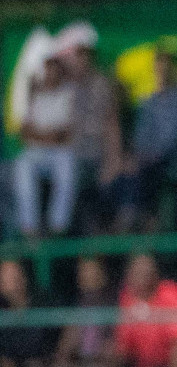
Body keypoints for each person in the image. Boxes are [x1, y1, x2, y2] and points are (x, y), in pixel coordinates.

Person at [111, 50, 177, 232]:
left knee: (147, 172)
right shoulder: (149, 102)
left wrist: (151, 154)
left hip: (172, 158)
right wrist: (138, 155)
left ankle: (144, 224)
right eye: (159, 68)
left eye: (166, 68)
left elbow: (174, 136)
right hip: (148, 158)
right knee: (126, 170)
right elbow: (141, 136)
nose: (162, 72)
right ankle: (128, 220)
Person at [14, 57, 78, 237]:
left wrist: (43, 135)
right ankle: (29, 228)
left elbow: (65, 132)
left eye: (55, 69)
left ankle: (58, 226)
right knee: (22, 166)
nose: (51, 74)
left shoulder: (68, 93)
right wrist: (46, 136)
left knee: (67, 165)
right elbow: (24, 131)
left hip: (59, 152)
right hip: (36, 152)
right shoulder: (33, 95)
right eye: (48, 69)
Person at [62, 42, 123, 233]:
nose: (81, 63)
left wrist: (113, 159)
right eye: (78, 59)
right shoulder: (66, 87)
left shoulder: (102, 85)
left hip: (98, 153)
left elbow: (111, 123)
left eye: (85, 58)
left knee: (108, 190)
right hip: (72, 155)